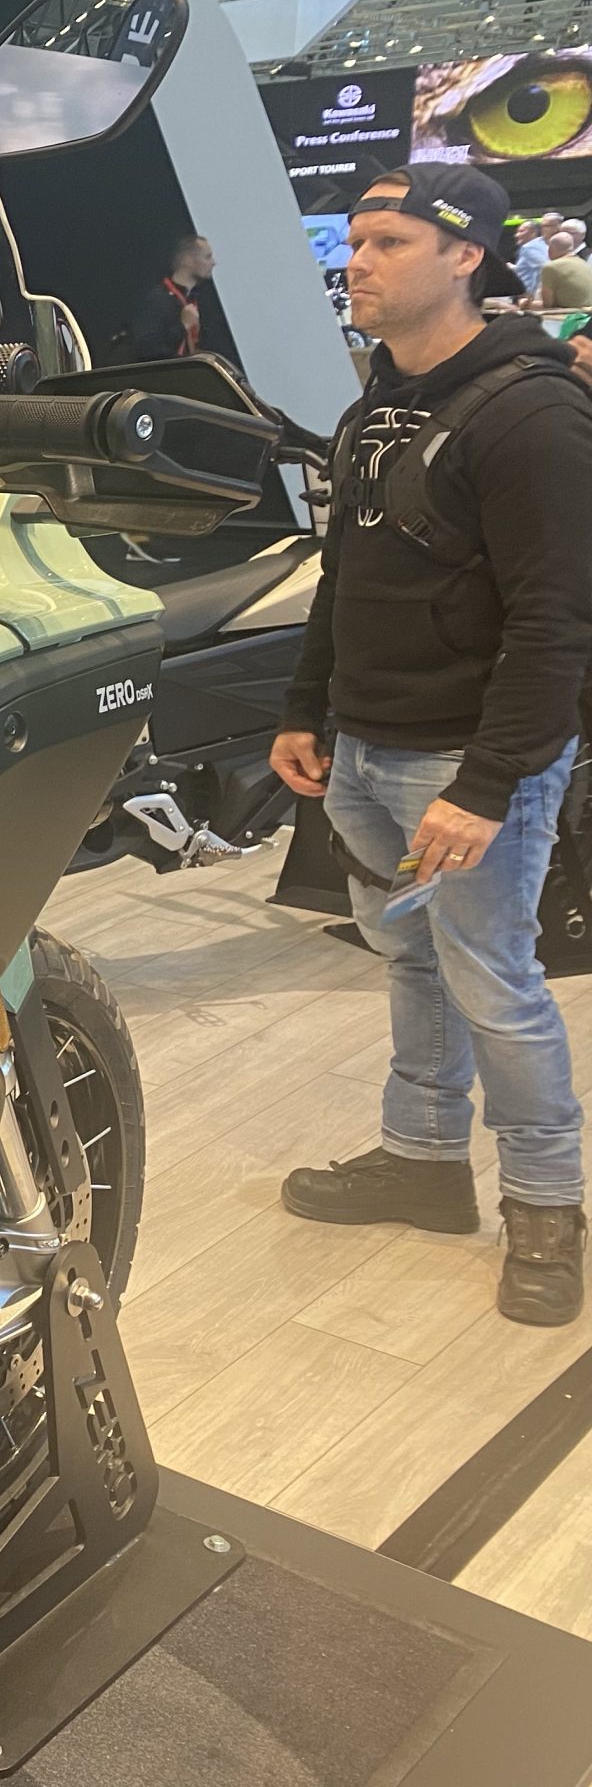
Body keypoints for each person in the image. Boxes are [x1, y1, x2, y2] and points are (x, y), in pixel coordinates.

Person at [272, 164, 592, 1325]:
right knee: (412, 958)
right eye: (355, 239)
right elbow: (343, 576)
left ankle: (547, 1208)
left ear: (466, 257)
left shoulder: (532, 412)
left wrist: (489, 783)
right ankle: (420, 1159)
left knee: (493, 982)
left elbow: (558, 619)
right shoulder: (372, 408)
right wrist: (306, 706)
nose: (355, 260)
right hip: (363, 749)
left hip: (462, 766)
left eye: (389, 241)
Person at [127, 235, 214, 359]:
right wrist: (183, 326)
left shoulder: (196, 301)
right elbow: (146, 349)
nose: (213, 263)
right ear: (188, 260)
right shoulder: (158, 300)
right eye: (207, 257)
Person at [538, 229, 592, 313]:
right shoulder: (585, 264)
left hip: (568, 315)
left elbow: (548, 303)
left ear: (551, 249)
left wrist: (528, 304)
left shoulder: (550, 267)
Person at [512, 216, 551, 301]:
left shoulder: (529, 247)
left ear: (533, 232)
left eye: (521, 231)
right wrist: (515, 268)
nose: (516, 235)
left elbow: (546, 267)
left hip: (530, 297)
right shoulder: (543, 244)